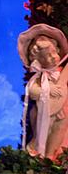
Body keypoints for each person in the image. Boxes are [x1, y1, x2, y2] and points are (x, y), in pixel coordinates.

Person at [17, 23, 68, 159]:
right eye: (48, 57)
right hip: (43, 110)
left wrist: (61, 102)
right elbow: (33, 91)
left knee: (59, 130)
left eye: (54, 53)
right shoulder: (40, 77)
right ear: (39, 61)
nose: (54, 57)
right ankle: (36, 150)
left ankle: (52, 156)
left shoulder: (61, 73)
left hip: (61, 108)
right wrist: (47, 89)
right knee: (41, 131)